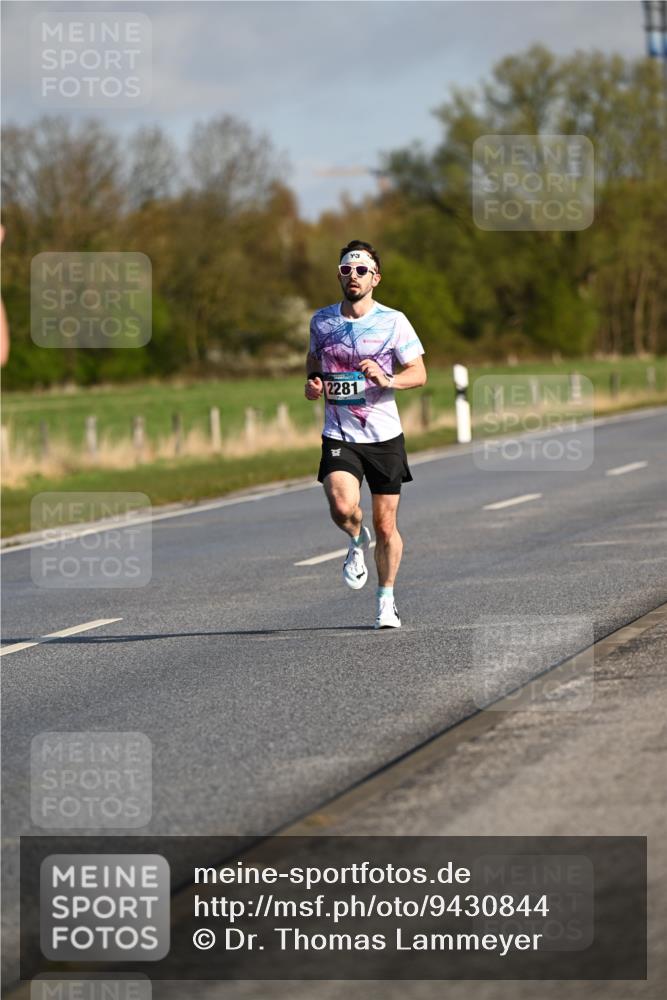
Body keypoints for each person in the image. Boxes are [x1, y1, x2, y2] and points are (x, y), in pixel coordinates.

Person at [305, 240, 427, 629]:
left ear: (375, 278)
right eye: (346, 270)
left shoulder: (394, 321)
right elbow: (313, 362)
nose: (352, 276)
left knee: (387, 525)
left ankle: (386, 599)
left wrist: (387, 378)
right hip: (339, 433)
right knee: (342, 506)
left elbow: (419, 373)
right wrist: (313, 384)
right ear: (339, 276)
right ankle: (356, 540)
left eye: (360, 270)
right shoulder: (322, 321)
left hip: (384, 436)